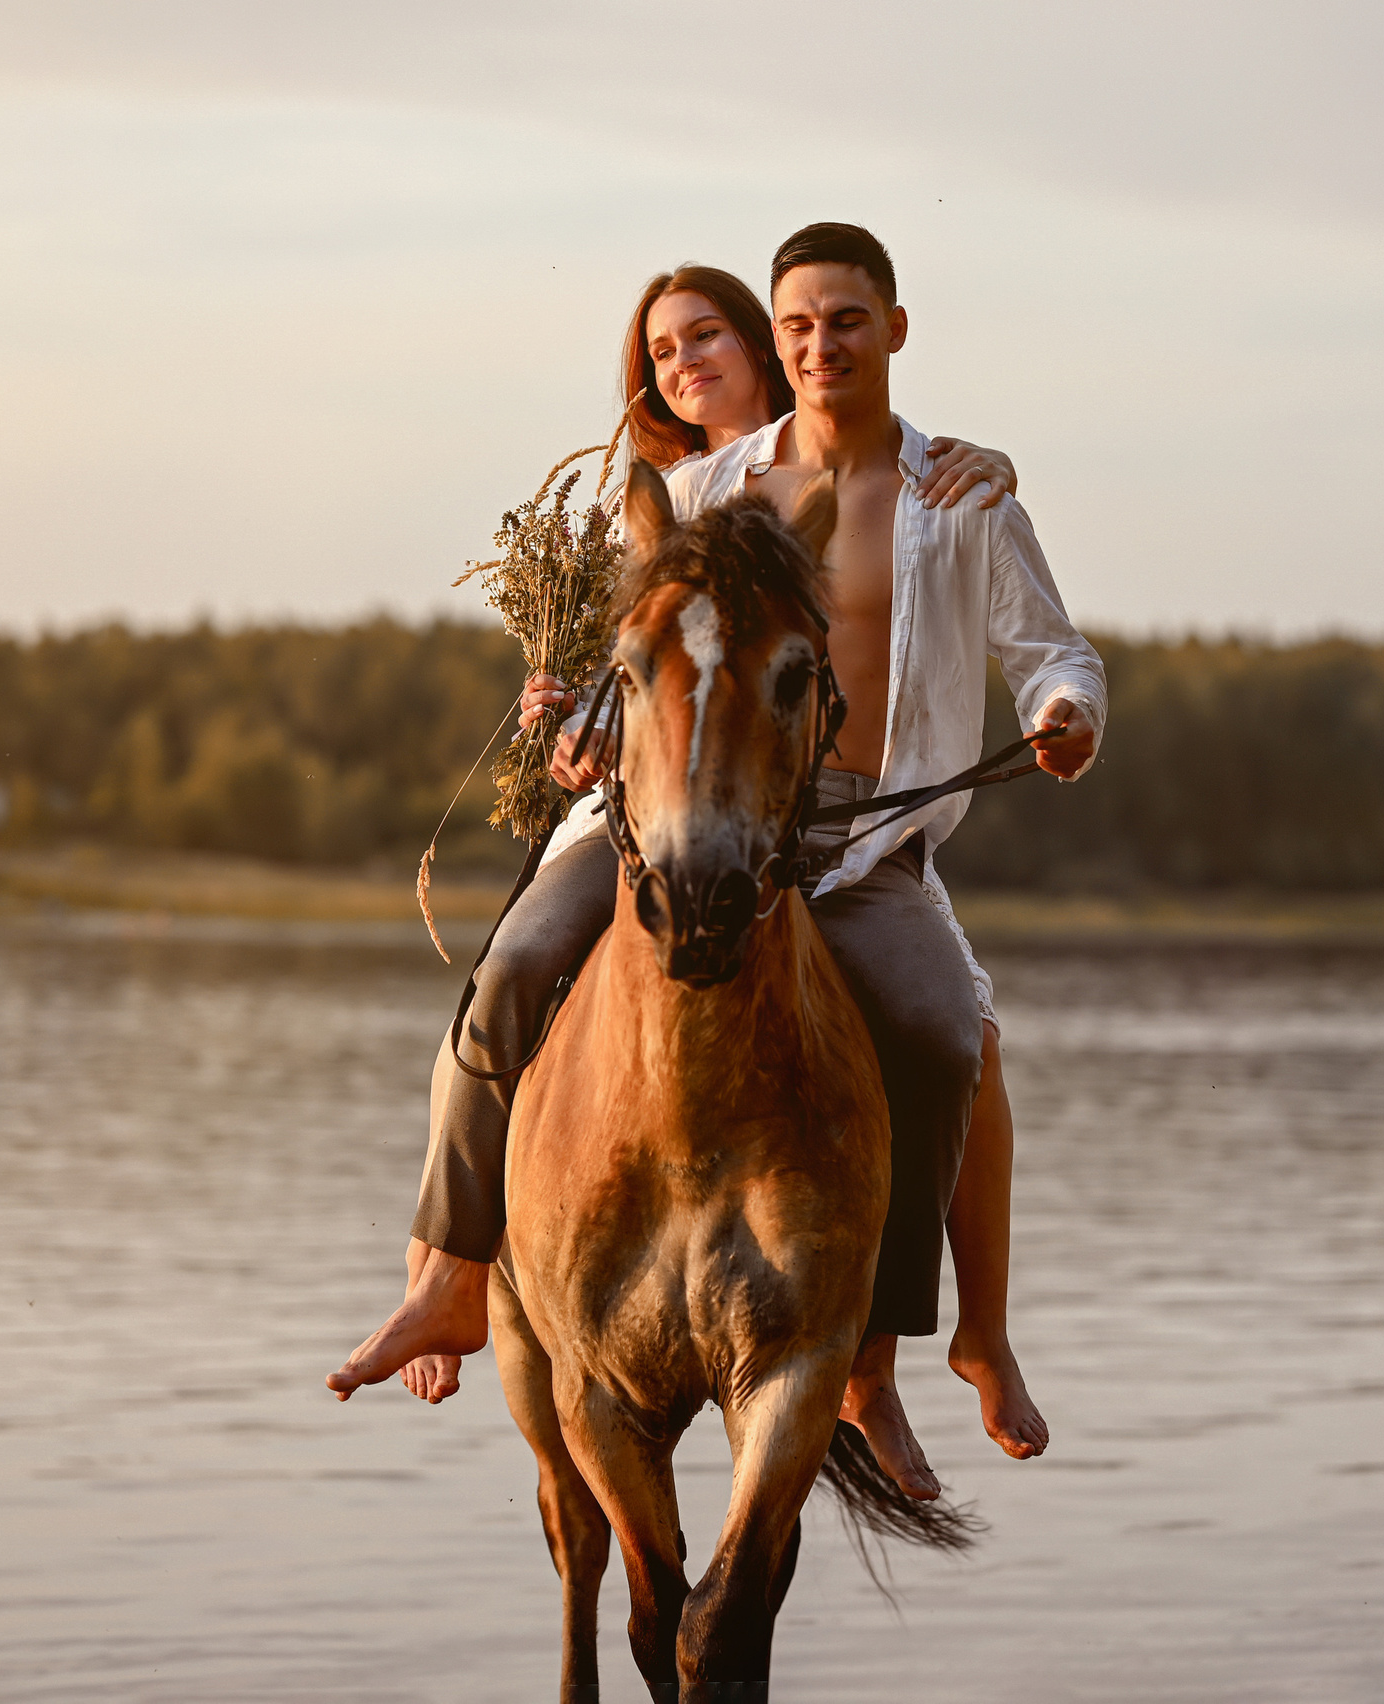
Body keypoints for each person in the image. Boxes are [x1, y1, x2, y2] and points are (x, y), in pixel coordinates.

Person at [330, 230, 1104, 1497]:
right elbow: (636, 670)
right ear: (779, 339)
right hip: (689, 815)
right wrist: (575, 727)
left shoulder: (959, 496)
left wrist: (1067, 715)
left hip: (863, 835)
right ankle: (456, 1273)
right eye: (800, 327)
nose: (818, 346)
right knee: (516, 964)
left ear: (892, 330)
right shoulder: (706, 493)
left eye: (842, 323)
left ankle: (874, 1355)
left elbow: (1056, 651)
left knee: (940, 1031)